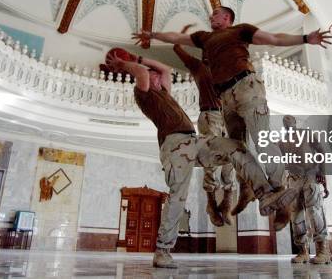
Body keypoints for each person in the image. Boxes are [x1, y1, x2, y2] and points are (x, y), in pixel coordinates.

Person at [133, 6, 331, 222]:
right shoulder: (204, 38)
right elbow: (177, 38)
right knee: (237, 149)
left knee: (262, 141)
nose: (210, 16)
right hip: (226, 99)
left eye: (215, 13)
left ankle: (278, 190)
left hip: (246, 88)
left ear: (227, 17)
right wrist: (153, 35)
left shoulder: (240, 30)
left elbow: (273, 38)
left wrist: (305, 38)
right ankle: (248, 189)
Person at [107, 51, 296, 269]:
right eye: (152, 75)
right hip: (175, 147)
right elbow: (140, 72)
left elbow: (166, 69)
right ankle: (163, 251)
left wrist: (141, 58)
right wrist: (125, 63)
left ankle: (264, 194)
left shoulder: (166, 93)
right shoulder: (144, 94)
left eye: (155, 74)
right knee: (178, 196)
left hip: (195, 140)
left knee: (236, 147)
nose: (156, 75)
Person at [173, 24, 234, 227]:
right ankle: (211, 203)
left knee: (231, 157)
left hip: (226, 118)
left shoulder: (224, 70)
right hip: (209, 116)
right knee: (211, 160)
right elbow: (177, 49)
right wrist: (183, 36)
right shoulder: (199, 67)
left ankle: (227, 199)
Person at [278, 115, 332, 264]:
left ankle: (323, 250)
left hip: (310, 175)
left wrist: (322, 172)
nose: (286, 120)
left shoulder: (306, 133)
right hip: (293, 180)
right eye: (284, 120)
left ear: (295, 122)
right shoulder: (281, 142)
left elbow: (321, 151)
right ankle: (303, 251)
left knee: (314, 211)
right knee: (295, 215)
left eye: (289, 119)